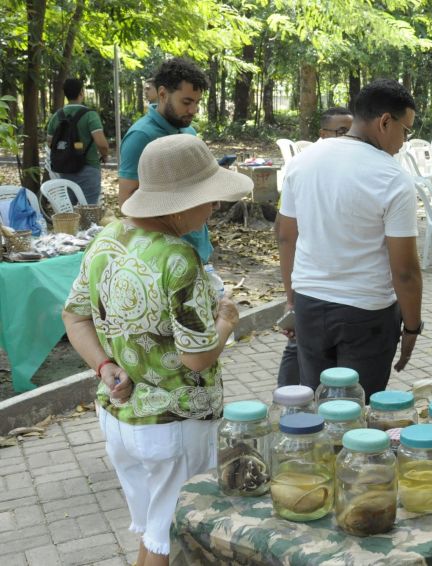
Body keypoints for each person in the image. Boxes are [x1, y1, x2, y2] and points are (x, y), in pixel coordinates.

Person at [62, 134, 252, 566]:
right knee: (169, 535)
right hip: (174, 421)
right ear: (179, 203)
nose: (214, 209)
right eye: (209, 200)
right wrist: (225, 321)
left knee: (153, 529)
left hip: (120, 417)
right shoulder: (178, 257)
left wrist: (104, 364)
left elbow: (74, 317)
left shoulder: (107, 238)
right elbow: (197, 357)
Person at [277, 79, 422, 399]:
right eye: (406, 130)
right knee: (359, 410)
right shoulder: (393, 177)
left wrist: (293, 300)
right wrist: (412, 327)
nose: (404, 141)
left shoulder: (302, 162)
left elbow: (285, 237)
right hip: (366, 315)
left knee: (317, 404)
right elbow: (406, 271)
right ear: (385, 121)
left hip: (310, 305)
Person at [275, 107, 354, 387]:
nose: (349, 138)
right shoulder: (303, 168)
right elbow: (286, 237)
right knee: (298, 351)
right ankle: (285, 404)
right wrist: (291, 296)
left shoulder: (359, 170)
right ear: (322, 134)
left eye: (353, 131)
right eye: (342, 131)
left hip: (350, 295)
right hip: (310, 288)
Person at [119, 57, 214, 263]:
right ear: (162, 94)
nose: (193, 110)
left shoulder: (189, 131)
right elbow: (127, 200)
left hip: (196, 244)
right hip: (163, 253)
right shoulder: (140, 136)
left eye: (197, 103)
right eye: (186, 102)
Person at [45, 78, 110, 204]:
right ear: (81, 92)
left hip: (64, 170)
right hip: (88, 168)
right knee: (89, 210)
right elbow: (102, 144)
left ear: (65, 94)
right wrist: (105, 155)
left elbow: (50, 142)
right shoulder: (90, 115)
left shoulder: (57, 116)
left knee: (70, 213)